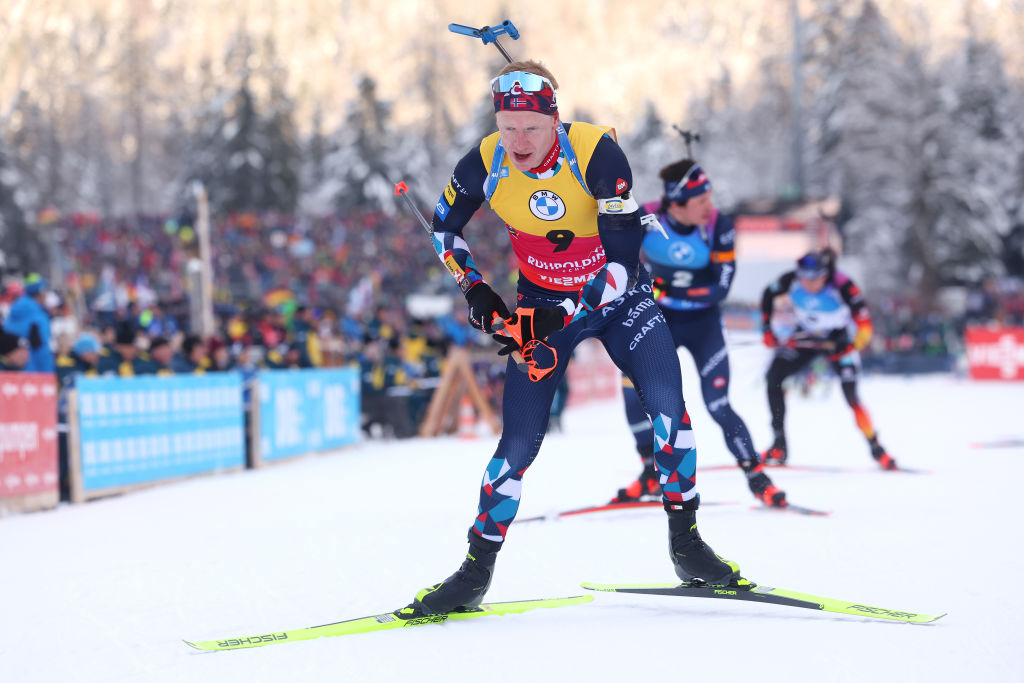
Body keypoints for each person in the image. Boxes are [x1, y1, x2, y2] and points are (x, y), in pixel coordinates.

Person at [400, 60, 742, 618]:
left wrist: (567, 316)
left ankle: (687, 545)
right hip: (541, 303)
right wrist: (478, 291)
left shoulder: (595, 154)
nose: (518, 141)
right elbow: (443, 226)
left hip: (618, 298)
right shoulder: (486, 160)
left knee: (670, 415)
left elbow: (624, 263)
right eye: (507, 127)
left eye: (531, 128)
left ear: (554, 121)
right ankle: (474, 572)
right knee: (518, 444)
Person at [615, 160, 785, 507]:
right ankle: (650, 472)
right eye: (701, 201)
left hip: (703, 326)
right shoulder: (647, 215)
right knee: (632, 393)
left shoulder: (718, 225)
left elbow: (720, 289)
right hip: (658, 322)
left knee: (718, 404)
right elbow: (616, 252)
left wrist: (665, 290)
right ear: (676, 203)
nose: (710, 206)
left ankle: (757, 476)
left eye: (710, 197)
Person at [759, 248, 897, 470]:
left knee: (851, 396)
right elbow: (768, 294)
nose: (807, 284)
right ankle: (778, 445)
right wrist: (767, 329)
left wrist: (852, 344)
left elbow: (865, 326)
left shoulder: (843, 285)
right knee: (773, 378)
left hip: (838, 342)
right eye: (803, 278)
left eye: (813, 280)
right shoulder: (791, 280)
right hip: (806, 339)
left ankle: (877, 447)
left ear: (824, 275)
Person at [2, 274, 55, 372]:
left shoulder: (13, 313)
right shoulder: (37, 317)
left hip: (10, 373)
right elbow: (41, 348)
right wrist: (49, 373)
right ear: (40, 293)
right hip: (34, 374)